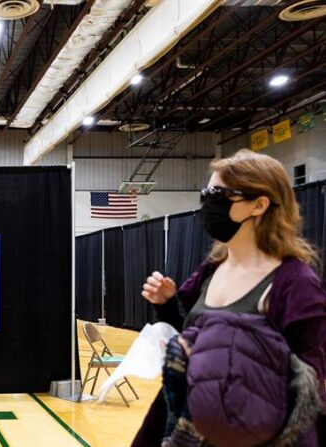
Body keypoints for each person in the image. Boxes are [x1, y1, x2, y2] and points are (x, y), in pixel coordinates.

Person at [133, 149, 326, 446]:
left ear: (259, 204)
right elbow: (191, 339)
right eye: (206, 193)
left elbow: (309, 387)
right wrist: (167, 304)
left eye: (219, 194)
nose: (209, 203)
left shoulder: (294, 282)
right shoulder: (211, 268)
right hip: (183, 428)